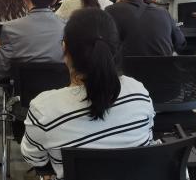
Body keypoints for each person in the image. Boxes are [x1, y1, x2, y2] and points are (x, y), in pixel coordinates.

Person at [21, 9, 155, 179]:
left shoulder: (44, 110)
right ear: (115, 49)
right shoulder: (139, 93)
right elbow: (147, 140)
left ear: (65, 48)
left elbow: (35, 159)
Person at [0, 0, 66, 79]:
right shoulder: (67, 27)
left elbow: (0, 71)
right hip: (60, 88)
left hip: (22, 89)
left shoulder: (10, 29)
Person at [105, 0, 185, 56]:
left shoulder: (109, 12)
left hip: (126, 65)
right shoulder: (163, 13)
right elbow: (180, 43)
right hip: (161, 65)